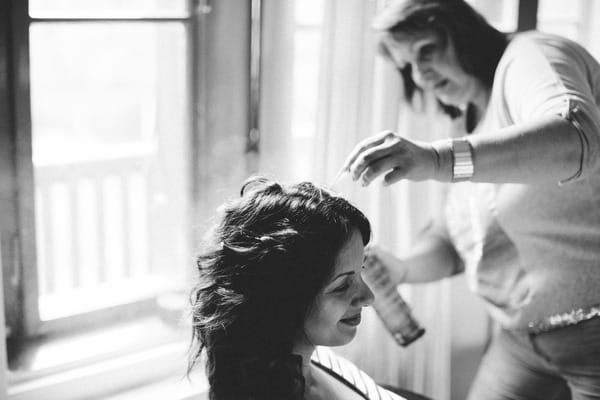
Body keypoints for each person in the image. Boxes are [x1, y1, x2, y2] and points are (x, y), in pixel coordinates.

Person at [341, 0, 600, 399]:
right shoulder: (471, 122)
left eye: (426, 50)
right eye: (407, 65)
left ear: (464, 33)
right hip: (520, 339)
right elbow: (454, 244)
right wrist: (403, 269)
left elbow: (575, 139)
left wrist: (436, 159)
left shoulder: (532, 54)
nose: (420, 74)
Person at [187, 176, 431, 400]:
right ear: (283, 300)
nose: (368, 297)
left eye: (361, 271)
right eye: (343, 285)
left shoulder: (316, 360)